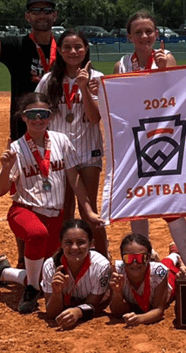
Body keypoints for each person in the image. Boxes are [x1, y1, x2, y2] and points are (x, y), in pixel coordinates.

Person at [0, 92, 103, 314]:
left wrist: (89, 212)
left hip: (55, 216)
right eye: (31, 114)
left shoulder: (61, 141)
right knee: (37, 236)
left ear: (50, 116)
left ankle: (3, 272)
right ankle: (32, 290)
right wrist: (6, 168)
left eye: (43, 114)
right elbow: (0, 190)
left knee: (49, 272)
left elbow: (74, 180)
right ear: (23, 117)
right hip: (24, 211)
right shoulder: (16, 148)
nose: (37, 119)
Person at [0, 0, 59, 269]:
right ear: (27, 16)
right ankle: (25, 260)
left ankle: (54, 252)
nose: (42, 15)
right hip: (23, 135)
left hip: (58, 135)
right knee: (26, 199)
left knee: (58, 195)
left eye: (47, 10)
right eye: (36, 10)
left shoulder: (67, 48)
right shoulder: (19, 46)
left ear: (54, 15)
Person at [112, 11, 186, 264]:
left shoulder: (166, 58)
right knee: (139, 202)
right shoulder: (122, 64)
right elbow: (118, 105)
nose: (144, 36)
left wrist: (162, 71)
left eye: (149, 31)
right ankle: (141, 259)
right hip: (134, 141)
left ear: (156, 34)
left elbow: (177, 98)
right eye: (138, 32)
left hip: (164, 138)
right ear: (129, 37)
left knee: (170, 199)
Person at [34, 30, 108, 257]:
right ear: (60, 51)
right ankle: (62, 260)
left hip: (88, 150)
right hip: (58, 154)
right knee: (63, 210)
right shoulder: (49, 80)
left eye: (78, 47)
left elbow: (95, 118)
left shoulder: (98, 77)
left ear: (86, 49)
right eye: (67, 47)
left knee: (89, 211)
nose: (73, 52)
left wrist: (85, 87)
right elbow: (38, 111)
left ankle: (103, 258)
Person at [41, 219, 112, 329]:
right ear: (61, 244)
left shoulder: (101, 266)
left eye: (81, 242)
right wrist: (56, 292)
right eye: (68, 242)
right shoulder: (50, 266)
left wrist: (78, 312)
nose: (74, 248)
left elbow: (94, 305)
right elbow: (52, 313)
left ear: (91, 244)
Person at [108, 233, 173, 326]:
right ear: (122, 258)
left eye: (141, 257)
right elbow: (116, 312)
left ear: (149, 257)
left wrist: (139, 319)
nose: (134, 264)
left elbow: (159, 310)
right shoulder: (118, 272)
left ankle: (175, 253)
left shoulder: (159, 273)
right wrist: (117, 293)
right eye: (128, 258)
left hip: (170, 284)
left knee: (169, 264)